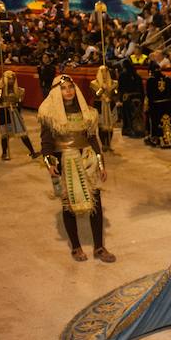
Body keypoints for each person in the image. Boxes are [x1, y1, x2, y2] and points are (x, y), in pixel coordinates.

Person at [38, 75, 115, 263]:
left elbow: (92, 139)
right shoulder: (49, 114)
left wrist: (101, 163)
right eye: (64, 88)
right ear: (57, 92)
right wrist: (50, 164)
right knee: (69, 204)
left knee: (95, 201)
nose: (68, 91)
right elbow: (46, 143)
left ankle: (99, 247)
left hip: (87, 160)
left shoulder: (87, 112)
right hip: (65, 161)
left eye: (71, 87)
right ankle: (76, 247)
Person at [0, 70, 38, 160]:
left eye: (13, 79)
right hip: (2, 112)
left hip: (14, 111)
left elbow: (20, 104)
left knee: (22, 133)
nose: (11, 81)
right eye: (9, 79)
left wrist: (18, 111)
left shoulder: (19, 90)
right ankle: (4, 153)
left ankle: (32, 152)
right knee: (5, 134)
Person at [145, 63, 171, 148]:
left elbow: (149, 95)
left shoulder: (150, 80)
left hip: (156, 106)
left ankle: (156, 139)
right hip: (169, 106)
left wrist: (149, 107)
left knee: (156, 123)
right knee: (170, 122)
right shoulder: (169, 79)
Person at [89, 65, 118, 151]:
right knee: (101, 126)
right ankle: (103, 145)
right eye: (102, 72)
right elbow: (95, 95)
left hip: (110, 105)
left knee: (110, 126)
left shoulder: (114, 83)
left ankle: (108, 144)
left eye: (106, 71)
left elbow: (116, 93)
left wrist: (111, 94)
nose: (104, 74)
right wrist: (102, 88)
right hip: (99, 106)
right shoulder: (94, 83)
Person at [118, 59, 145, 138]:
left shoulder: (122, 75)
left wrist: (120, 99)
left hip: (127, 98)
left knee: (127, 115)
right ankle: (139, 130)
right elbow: (141, 88)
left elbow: (121, 88)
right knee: (137, 114)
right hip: (138, 98)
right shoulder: (137, 75)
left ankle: (129, 129)